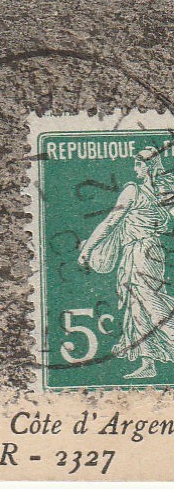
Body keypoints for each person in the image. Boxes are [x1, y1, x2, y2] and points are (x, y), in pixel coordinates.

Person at [79, 147, 174, 379]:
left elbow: (111, 222)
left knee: (149, 302)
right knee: (136, 305)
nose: (135, 169)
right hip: (152, 252)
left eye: (138, 164)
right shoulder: (164, 194)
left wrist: (88, 249)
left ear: (148, 166)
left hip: (140, 252)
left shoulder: (133, 190)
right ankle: (148, 361)